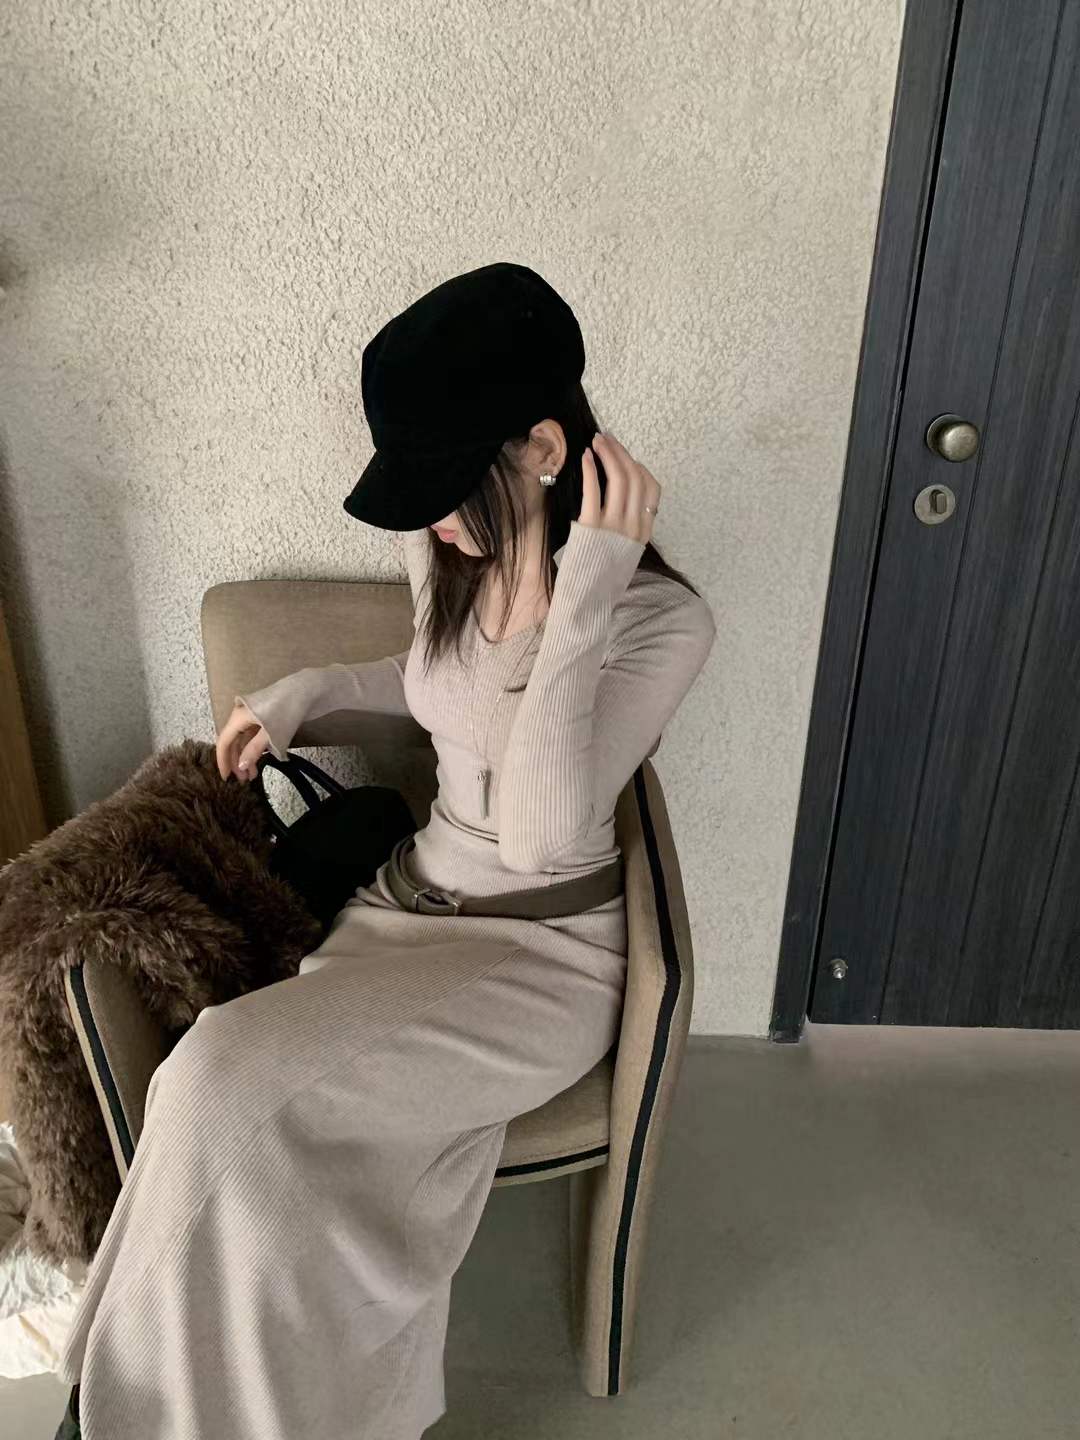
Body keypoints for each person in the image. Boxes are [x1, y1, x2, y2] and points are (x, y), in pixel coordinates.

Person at [54, 262, 716, 1439]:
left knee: (217, 1084)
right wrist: (306, 694)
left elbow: (544, 830)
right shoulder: (447, 556)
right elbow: (430, 687)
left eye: (446, 489)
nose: (433, 523)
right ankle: (127, 1399)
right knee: (223, 1110)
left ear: (545, 450)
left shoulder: (662, 623)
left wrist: (584, 592)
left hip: (542, 962)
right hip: (403, 909)